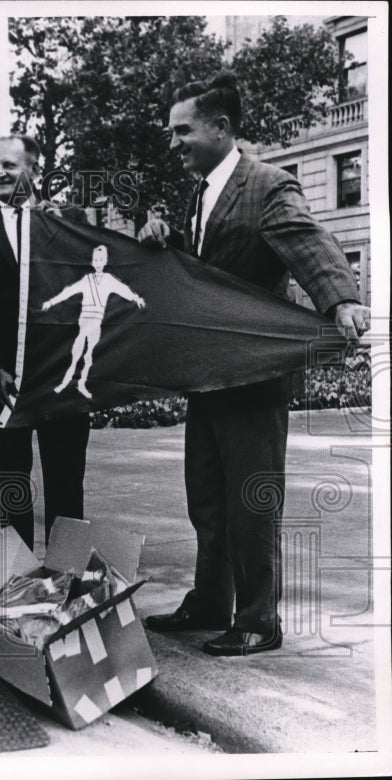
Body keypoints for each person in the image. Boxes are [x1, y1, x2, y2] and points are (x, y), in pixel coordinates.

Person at [138, 72, 369, 655]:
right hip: (209, 375)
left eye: (182, 130)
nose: (174, 143)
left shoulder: (267, 184)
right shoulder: (200, 193)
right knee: (207, 500)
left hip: (256, 377)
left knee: (251, 503)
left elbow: (307, 239)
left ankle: (259, 619)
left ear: (221, 127)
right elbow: (207, 268)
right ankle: (211, 602)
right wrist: (164, 240)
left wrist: (341, 298)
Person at [0, 135, 92, 552]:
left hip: (64, 377)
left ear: (34, 170)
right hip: (9, 383)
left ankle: (67, 581)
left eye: (10, 165)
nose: (0, 173)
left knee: (67, 484)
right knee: (14, 487)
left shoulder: (68, 220)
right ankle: (18, 587)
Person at [42, 243, 146, 398]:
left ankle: (82, 384)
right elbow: (69, 291)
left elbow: (123, 289)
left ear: (105, 261)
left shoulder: (109, 279)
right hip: (84, 320)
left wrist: (136, 298)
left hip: (96, 321)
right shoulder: (87, 279)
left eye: (101, 259)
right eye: (95, 260)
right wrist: (51, 302)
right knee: (76, 352)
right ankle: (65, 382)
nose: (98, 262)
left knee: (89, 354)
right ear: (92, 261)